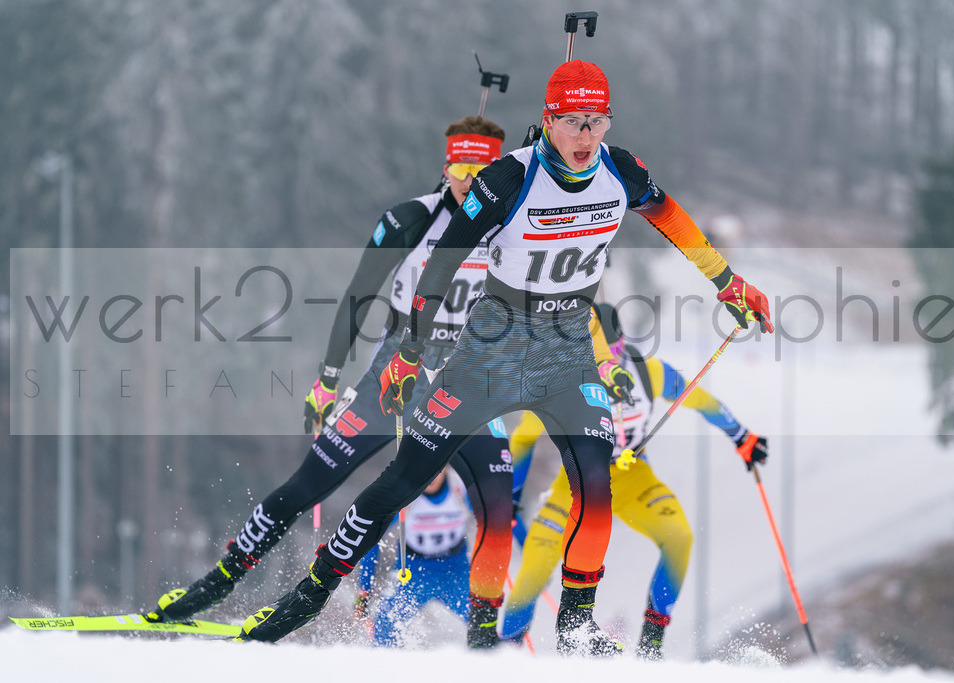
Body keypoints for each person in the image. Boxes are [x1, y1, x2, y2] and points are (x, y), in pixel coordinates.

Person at [238, 60, 772, 657]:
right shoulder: (506, 179)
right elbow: (441, 264)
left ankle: (576, 624)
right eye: (573, 122)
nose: (586, 137)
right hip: (490, 351)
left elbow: (672, 219)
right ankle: (308, 596)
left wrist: (727, 282)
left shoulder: (620, 170)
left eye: (597, 122)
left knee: (597, 485)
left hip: (567, 350)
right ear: (548, 120)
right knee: (405, 479)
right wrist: (410, 351)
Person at [145, 116, 517, 648]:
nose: (468, 178)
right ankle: (215, 583)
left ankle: (482, 633)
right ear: (446, 166)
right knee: (308, 484)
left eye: (481, 169)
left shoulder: (514, 227)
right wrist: (326, 381)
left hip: (465, 386)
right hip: (396, 376)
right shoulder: (413, 219)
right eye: (460, 166)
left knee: (498, 503)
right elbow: (357, 297)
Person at [501, 302, 768, 659]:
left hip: (633, 476)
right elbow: (523, 437)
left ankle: (651, 645)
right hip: (577, 481)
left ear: (621, 344)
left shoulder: (648, 372)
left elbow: (700, 399)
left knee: (679, 538)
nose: (602, 362)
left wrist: (741, 437)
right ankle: (505, 652)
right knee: (537, 560)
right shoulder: (562, 381)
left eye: (609, 352)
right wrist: (512, 495)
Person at [355, 467, 474, 647]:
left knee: (486, 622)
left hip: (455, 571)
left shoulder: (461, 487)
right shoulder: (404, 495)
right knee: (384, 626)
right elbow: (372, 538)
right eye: (427, 469)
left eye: (438, 469)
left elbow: (493, 518)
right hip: (413, 572)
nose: (432, 476)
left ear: (447, 467)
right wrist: (364, 588)